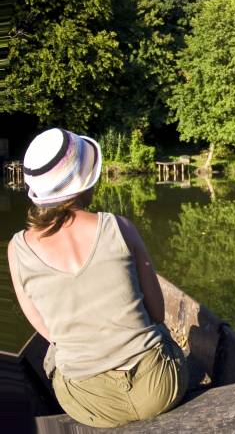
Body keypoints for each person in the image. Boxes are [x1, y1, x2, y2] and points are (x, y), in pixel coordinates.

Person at [6, 128, 188, 428]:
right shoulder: (120, 227)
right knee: (164, 337)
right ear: (83, 182)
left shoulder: (17, 249)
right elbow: (157, 313)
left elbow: (48, 331)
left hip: (90, 405)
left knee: (53, 356)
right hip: (160, 389)